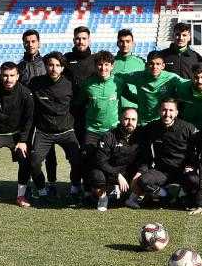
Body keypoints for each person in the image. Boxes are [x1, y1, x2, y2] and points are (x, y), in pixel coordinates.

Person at [27, 51, 81, 206]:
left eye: (58, 65)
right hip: (44, 132)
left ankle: (75, 189)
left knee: (77, 161)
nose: (54, 68)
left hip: (66, 131)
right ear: (46, 66)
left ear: (62, 68)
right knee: (34, 162)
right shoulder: (36, 83)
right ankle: (43, 191)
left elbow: (78, 105)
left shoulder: (70, 84)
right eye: (50, 65)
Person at [0, 61, 35, 210]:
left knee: (24, 159)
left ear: (17, 76)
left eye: (12, 75)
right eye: (5, 75)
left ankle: (21, 195)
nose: (8, 79)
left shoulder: (25, 93)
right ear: (0, 75)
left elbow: (29, 119)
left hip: (16, 135)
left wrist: (23, 140)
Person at [125, 98, 199, 208]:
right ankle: (165, 195)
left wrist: (192, 165)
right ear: (159, 111)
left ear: (176, 112)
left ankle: (181, 195)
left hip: (182, 171)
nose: (167, 114)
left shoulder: (188, 128)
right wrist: (141, 170)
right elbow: (135, 133)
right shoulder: (152, 127)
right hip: (162, 171)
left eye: (171, 110)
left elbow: (198, 150)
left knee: (195, 181)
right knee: (144, 180)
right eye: (164, 110)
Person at [73, 50, 125, 197]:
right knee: (87, 157)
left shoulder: (118, 83)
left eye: (107, 65)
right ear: (95, 66)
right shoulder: (88, 84)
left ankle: (113, 185)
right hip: (92, 130)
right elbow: (78, 102)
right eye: (100, 65)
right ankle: (88, 187)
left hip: (113, 129)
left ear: (112, 66)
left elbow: (130, 97)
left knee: (114, 159)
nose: (103, 68)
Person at [17, 28, 57, 198]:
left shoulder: (47, 63)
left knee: (50, 152)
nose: (30, 44)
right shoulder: (19, 66)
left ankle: (52, 183)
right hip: (27, 115)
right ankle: (30, 185)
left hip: (45, 114)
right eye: (27, 41)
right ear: (23, 43)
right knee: (26, 151)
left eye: (33, 41)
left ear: (39, 43)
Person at [85, 108, 141, 211]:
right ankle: (103, 198)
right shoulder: (109, 136)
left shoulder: (140, 136)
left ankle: (132, 198)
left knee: (145, 176)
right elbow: (101, 161)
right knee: (97, 176)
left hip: (127, 172)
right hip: (109, 171)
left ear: (137, 121)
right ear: (120, 119)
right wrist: (117, 174)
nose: (130, 122)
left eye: (133, 119)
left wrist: (139, 173)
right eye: (126, 119)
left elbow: (144, 159)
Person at [116, 51, 182, 125]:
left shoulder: (171, 78)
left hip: (161, 121)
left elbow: (185, 84)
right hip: (142, 122)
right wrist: (130, 96)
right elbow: (119, 77)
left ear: (163, 66)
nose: (154, 67)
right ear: (147, 65)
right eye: (151, 64)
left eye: (158, 64)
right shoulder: (138, 76)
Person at [113, 28, 146, 110]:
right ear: (117, 43)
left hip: (135, 109)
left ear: (133, 43)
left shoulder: (141, 63)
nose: (124, 44)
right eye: (121, 41)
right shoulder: (110, 63)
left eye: (128, 41)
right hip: (115, 110)